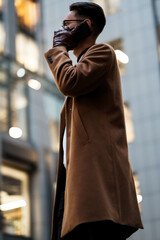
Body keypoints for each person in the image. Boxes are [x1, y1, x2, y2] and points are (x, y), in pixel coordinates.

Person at [44, 2, 143, 240]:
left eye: (67, 25)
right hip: (79, 183)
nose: (62, 31)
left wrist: (59, 50)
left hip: (97, 185)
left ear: (86, 26)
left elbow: (69, 82)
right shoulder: (83, 65)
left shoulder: (102, 53)